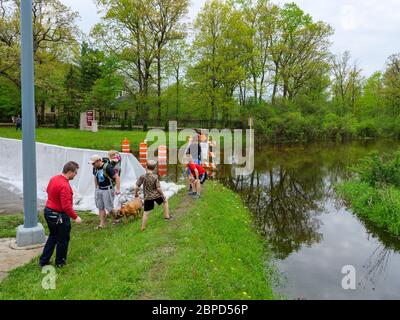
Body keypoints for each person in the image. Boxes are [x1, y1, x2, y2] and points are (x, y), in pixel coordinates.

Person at [39, 161, 82, 268]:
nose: (76, 175)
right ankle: (60, 263)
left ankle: (43, 261)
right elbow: (66, 206)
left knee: (53, 236)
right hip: (59, 215)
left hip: (48, 211)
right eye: (75, 173)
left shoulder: (54, 178)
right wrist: (76, 217)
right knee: (63, 239)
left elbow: (48, 190)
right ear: (70, 171)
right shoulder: (65, 186)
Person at [135, 160, 171, 232]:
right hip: (156, 195)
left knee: (146, 213)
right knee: (165, 201)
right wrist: (162, 195)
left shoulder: (142, 176)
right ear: (154, 168)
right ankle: (167, 216)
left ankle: (142, 228)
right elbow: (158, 188)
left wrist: (136, 193)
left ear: (146, 167)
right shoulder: (155, 176)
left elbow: (136, 186)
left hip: (148, 197)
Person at [90, 154, 121, 229]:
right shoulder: (95, 167)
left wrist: (117, 189)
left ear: (98, 161)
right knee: (100, 207)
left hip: (108, 189)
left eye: (93, 163)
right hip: (99, 189)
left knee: (109, 207)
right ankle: (102, 224)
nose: (92, 165)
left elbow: (117, 177)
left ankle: (117, 218)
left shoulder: (107, 167)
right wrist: (96, 188)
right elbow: (95, 177)